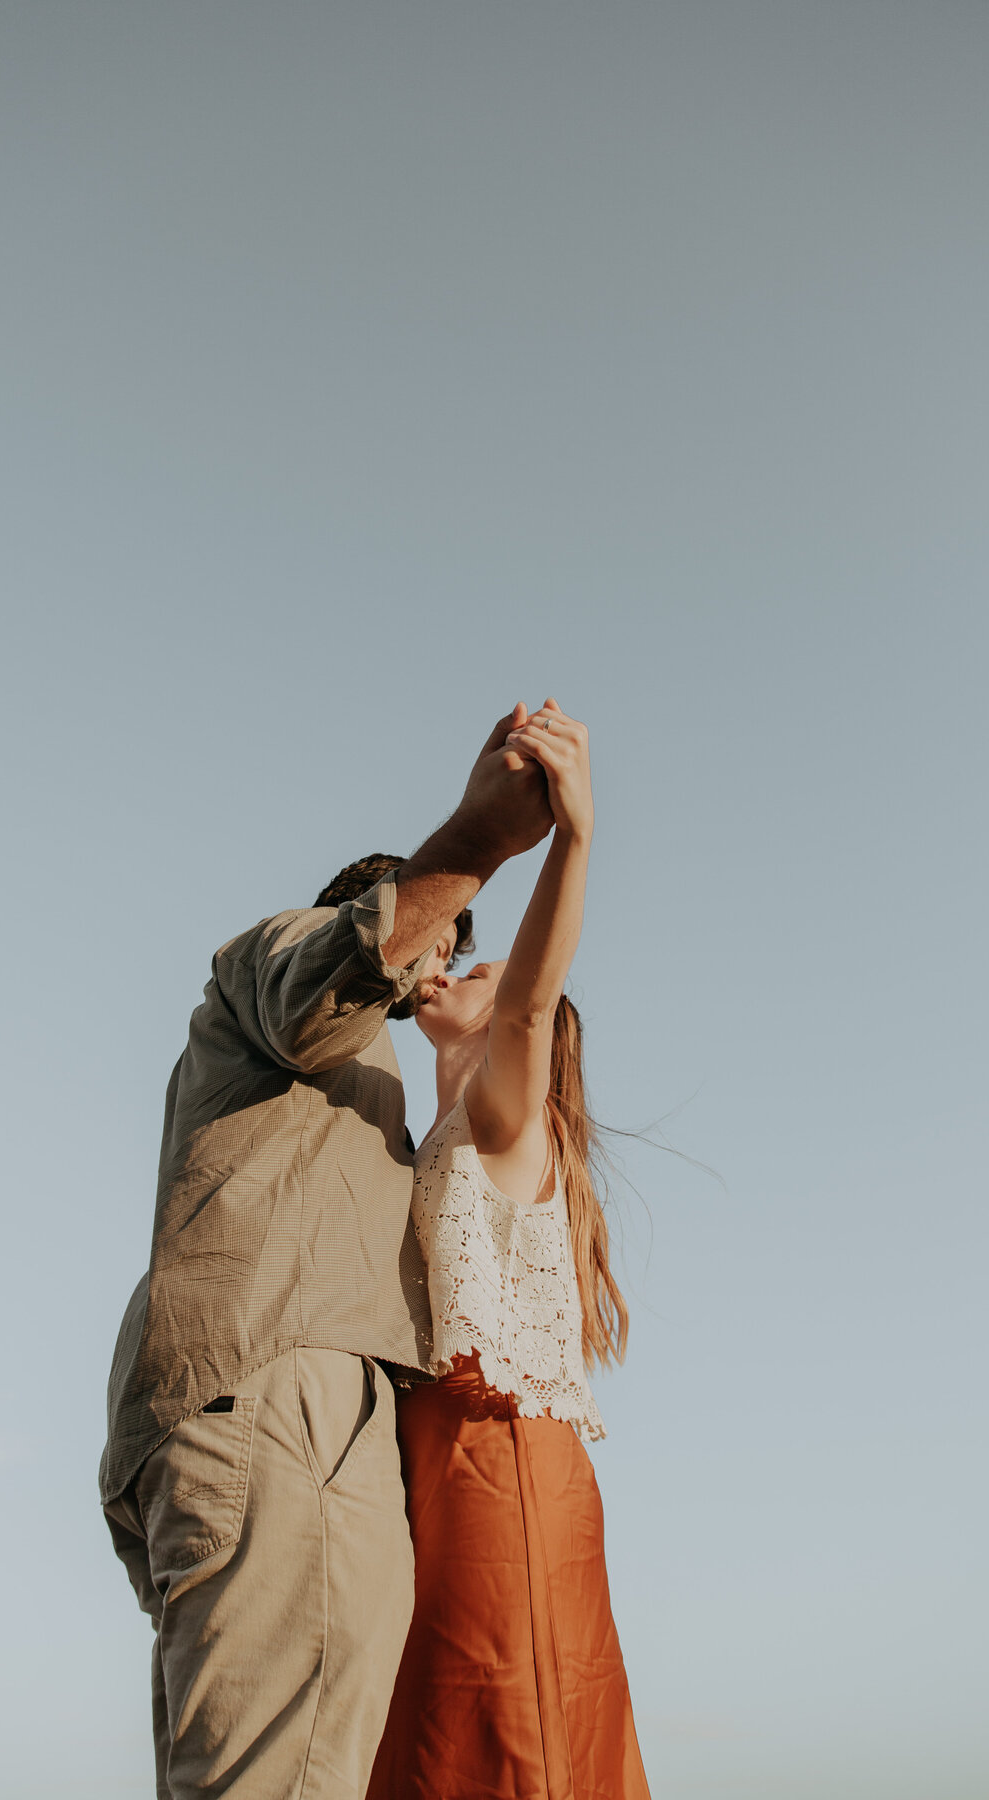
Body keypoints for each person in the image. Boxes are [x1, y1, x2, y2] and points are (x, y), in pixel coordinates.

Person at [98, 703, 554, 1800]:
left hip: (276, 1417)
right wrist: (480, 841)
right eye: (432, 943)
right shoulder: (279, 963)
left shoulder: (376, 1105)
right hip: (282, 1400)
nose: (432, 971)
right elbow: (333, 983)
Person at [367, 699, 653, 1800]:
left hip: (503, 1460)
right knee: (433, 1741)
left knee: (505, 1733)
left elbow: (527, 1009)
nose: (451, 974)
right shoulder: (428, 1130)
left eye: (476, 973)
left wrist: (572, 835)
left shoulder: (503, 1113)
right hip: (441, 1463)